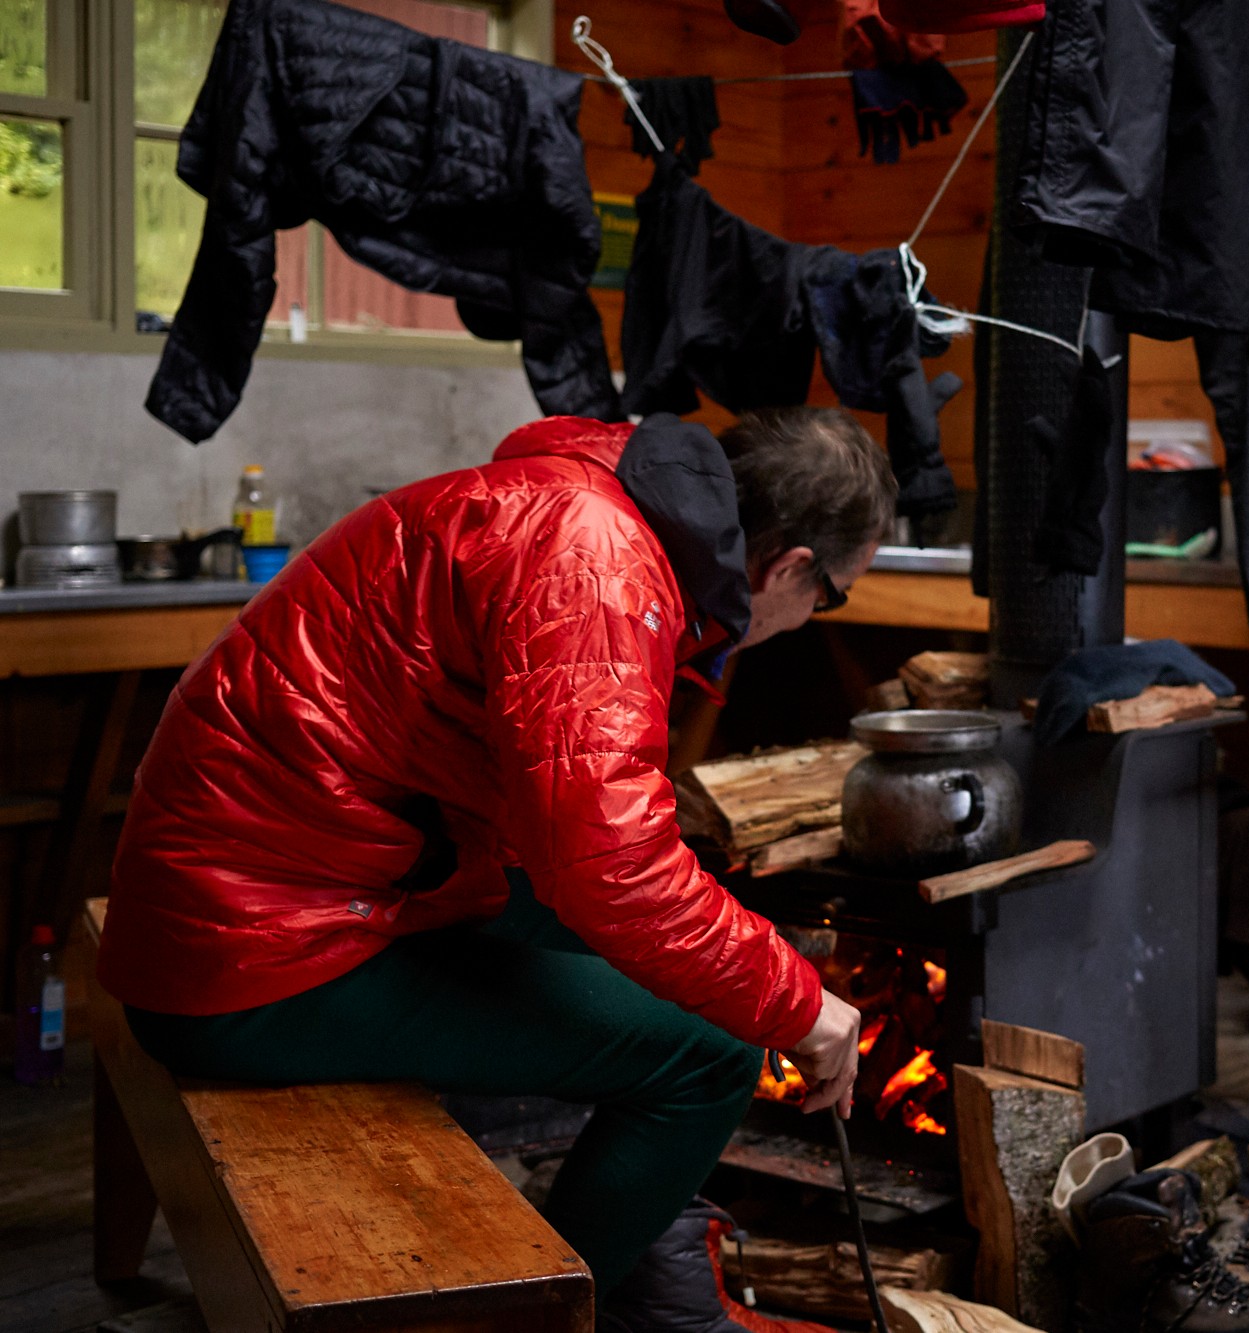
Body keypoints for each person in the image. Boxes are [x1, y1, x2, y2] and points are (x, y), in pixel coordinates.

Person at [96, 406, 895, 1301]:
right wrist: (799, 1006)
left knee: (673, 973)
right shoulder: (598, 562)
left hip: (266, 884)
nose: (809, 615)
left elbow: (574, 839)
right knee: (713, 1055)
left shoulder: (575, 499)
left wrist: (741, 957)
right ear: (788, 566)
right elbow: (615, 874)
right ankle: (560, 1314)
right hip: (251, 949)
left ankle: (650, 1246)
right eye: (830, 596)